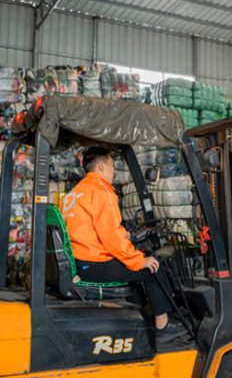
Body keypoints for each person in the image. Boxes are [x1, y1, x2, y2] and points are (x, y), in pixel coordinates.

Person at [61, 146, 186, 342]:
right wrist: (139, 260)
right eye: (112, 166)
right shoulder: (101, 192)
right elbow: (112, 239)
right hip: (94, 265)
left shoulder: (75, 192)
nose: (114, 171)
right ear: (101, 166)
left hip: (80, 262)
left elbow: (93, 230)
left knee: (136, 269)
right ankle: (163, 326)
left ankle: (138, 319)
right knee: (153, 268)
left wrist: (125, 235)